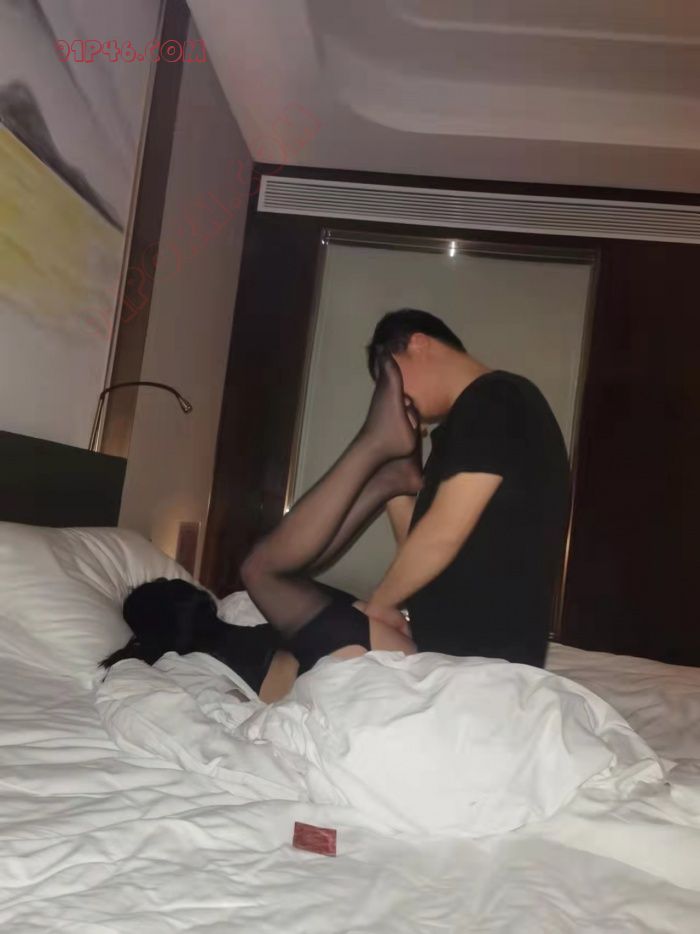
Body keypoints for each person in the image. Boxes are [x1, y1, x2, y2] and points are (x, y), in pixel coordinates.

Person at [102, 350, 420, 697]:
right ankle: (377, 449)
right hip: (352, 673)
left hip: (365, 651)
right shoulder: (180, 668)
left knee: (286, 567)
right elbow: (223, 709)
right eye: (168, 586)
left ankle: (390, 480)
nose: (177, 582)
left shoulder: (236, 615)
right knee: (257, 570)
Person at [363, 308, 571, 668]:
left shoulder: (495, 397)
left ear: (418, 344)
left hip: (483, 655)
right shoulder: (468, 420)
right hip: (455, 647)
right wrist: (396, 468)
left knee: (313, 626)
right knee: (307, 620)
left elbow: (442, 534)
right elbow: (419, 545)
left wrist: (380, 604)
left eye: (390, 381)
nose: (395, 398)